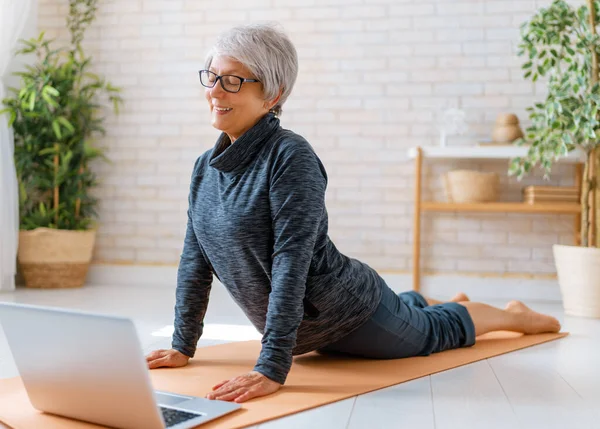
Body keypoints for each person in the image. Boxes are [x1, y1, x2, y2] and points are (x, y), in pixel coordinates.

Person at [145, 23, 561, 404]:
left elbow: (291, 263)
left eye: (233, 81)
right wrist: (184, 344)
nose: (215, 91)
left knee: (437, 331)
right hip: (308, 331)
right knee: (413, 314)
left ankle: (511, 315)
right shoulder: (205, 167)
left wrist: (272, 366)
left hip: (351, 315)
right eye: (212, 76)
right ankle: (421, 304)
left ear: (271, 94)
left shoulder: (291, 157)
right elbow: (195, 261)